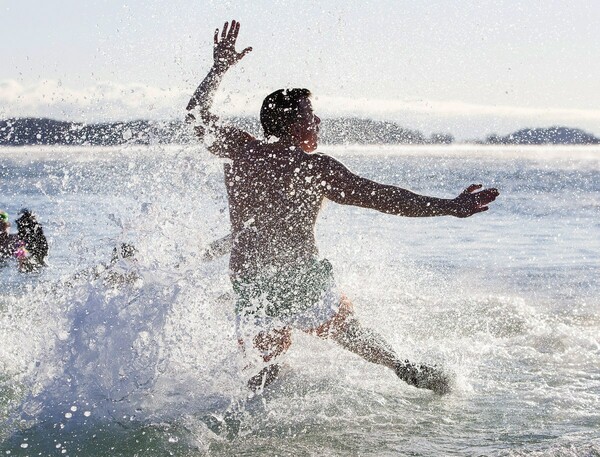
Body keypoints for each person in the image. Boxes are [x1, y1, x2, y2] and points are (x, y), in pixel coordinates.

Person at [186, 20, 499, 394]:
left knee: (263, 375)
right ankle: (403, 367)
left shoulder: (241, 151)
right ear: (289, 122)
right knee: (352, 333)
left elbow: (195, 116)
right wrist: (449, 206)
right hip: (299, 278)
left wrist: (219, 69)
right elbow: (385, 198)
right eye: (309, 114)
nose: (317, 120)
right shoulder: (314, 168)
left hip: (250, 281)